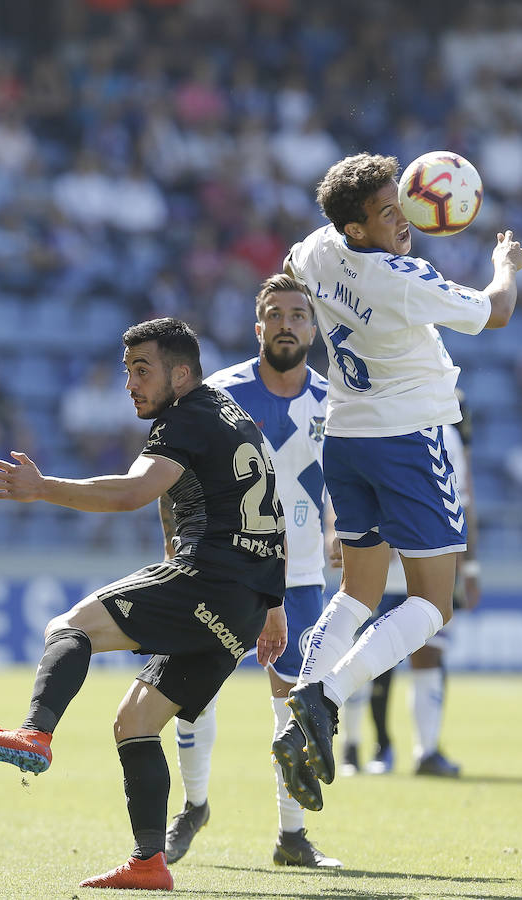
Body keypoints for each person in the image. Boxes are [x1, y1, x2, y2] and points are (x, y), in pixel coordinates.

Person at [0, 317, 286, 891]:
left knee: (69, 625)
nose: (130, 383)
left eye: (142, 370)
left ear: (181, 374)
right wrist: (273, 607)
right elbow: (267, 511)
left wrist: (42, 487)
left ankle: (36, 733)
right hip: (245, 604)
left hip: (211, 578)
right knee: (135, 722)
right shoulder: (229, 416)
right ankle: (150, 864)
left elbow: (134, 491)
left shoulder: (186, 418)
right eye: (128, 370)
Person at [273, 151, 522, 809]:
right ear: (356, 227)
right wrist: (505, 266)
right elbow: (493, 312)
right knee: (431, 605)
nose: (405, 218)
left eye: (404, 202)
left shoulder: (320, 249)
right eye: (389, 211)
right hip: (409, 439)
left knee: (357, 593)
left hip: (347, 438)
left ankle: (303, 700)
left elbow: (290, 266)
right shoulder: (401, 276)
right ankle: (323, 696)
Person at [163, 274, 341, 868]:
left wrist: (343, 525)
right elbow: (172, 474)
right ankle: (193, 806)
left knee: (293, 704)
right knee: (194, 693)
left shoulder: (336, 401)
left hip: (302, 577)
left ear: (314, 328)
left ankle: (293, 837)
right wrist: (175, 547)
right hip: (220, 569)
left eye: (299, 313)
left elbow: (346, 476)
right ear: (257, 325)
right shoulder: (219, 394)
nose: (288, 322)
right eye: (276, 313)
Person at [339, 391, 481, 778]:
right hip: (378, 561)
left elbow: (461, 505)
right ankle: (357, 746)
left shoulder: (446, 437)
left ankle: (427, 750)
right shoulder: (368, 421)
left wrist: (468, 569)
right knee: (367, 652)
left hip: (429, 562)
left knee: (430, 652)